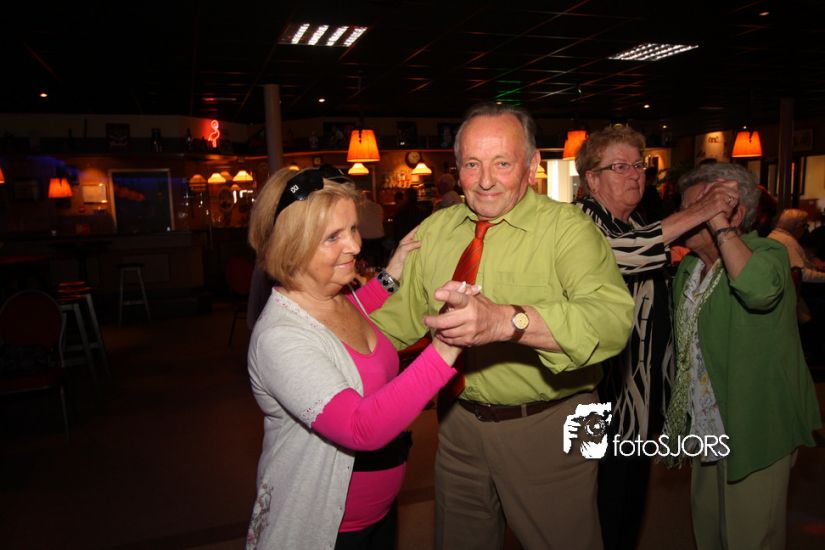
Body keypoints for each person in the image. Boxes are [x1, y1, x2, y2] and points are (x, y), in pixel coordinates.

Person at [370, 102, 635, 549]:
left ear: (532, 166)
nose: (486, 180)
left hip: (555, 424)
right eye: (472, 164)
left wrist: (507, 321)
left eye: (502, 163)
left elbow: (611, 320)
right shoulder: (435, 230)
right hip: (457, 425)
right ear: (457, 169)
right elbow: (394, 323)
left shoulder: (568, 229)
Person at [244, 165, 474, 549]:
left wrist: (392, 272)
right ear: (291, 246)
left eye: (352, 229)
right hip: (325, 528)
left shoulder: (333, 298)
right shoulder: (280, 338)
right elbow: (360, 428)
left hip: (378, 515)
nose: (354, 245)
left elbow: (354, 313)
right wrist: (447, 345)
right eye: (333, 237)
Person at [574, 125, 740, 550]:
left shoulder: (636, 221)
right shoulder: (580, 223)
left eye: (639, 165)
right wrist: (703, 208)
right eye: (620, 167)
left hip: (638, 394)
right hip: (595, 395)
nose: (635, 175)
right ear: (592, 179)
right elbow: (624, 253)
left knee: (629, 498)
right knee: (594, 499)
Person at [661, 162, 821, 550]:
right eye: (686, 207)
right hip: (707, 422)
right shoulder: (690, 268)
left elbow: (757, 290)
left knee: (750, 536)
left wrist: (720, 223)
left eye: (699, 208)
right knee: (709, 528)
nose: (686, 216)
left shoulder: (768, 254)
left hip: (756, 425)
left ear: (734, 214)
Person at [769, 208, 825, 360]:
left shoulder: (779, 237)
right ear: (797, 226)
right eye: (805, 226)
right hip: (793, 297)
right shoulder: (786, 241)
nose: (806, 230)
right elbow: (801, 274)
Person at [356, 190, 387, 268]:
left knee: (366, 262)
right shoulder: (378, 207)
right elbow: (381, 219)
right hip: (379, 239)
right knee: (379, 262)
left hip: (365, 239)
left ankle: (367, 271)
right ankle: (379, 271)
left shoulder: (358, 208)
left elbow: (356, 223)